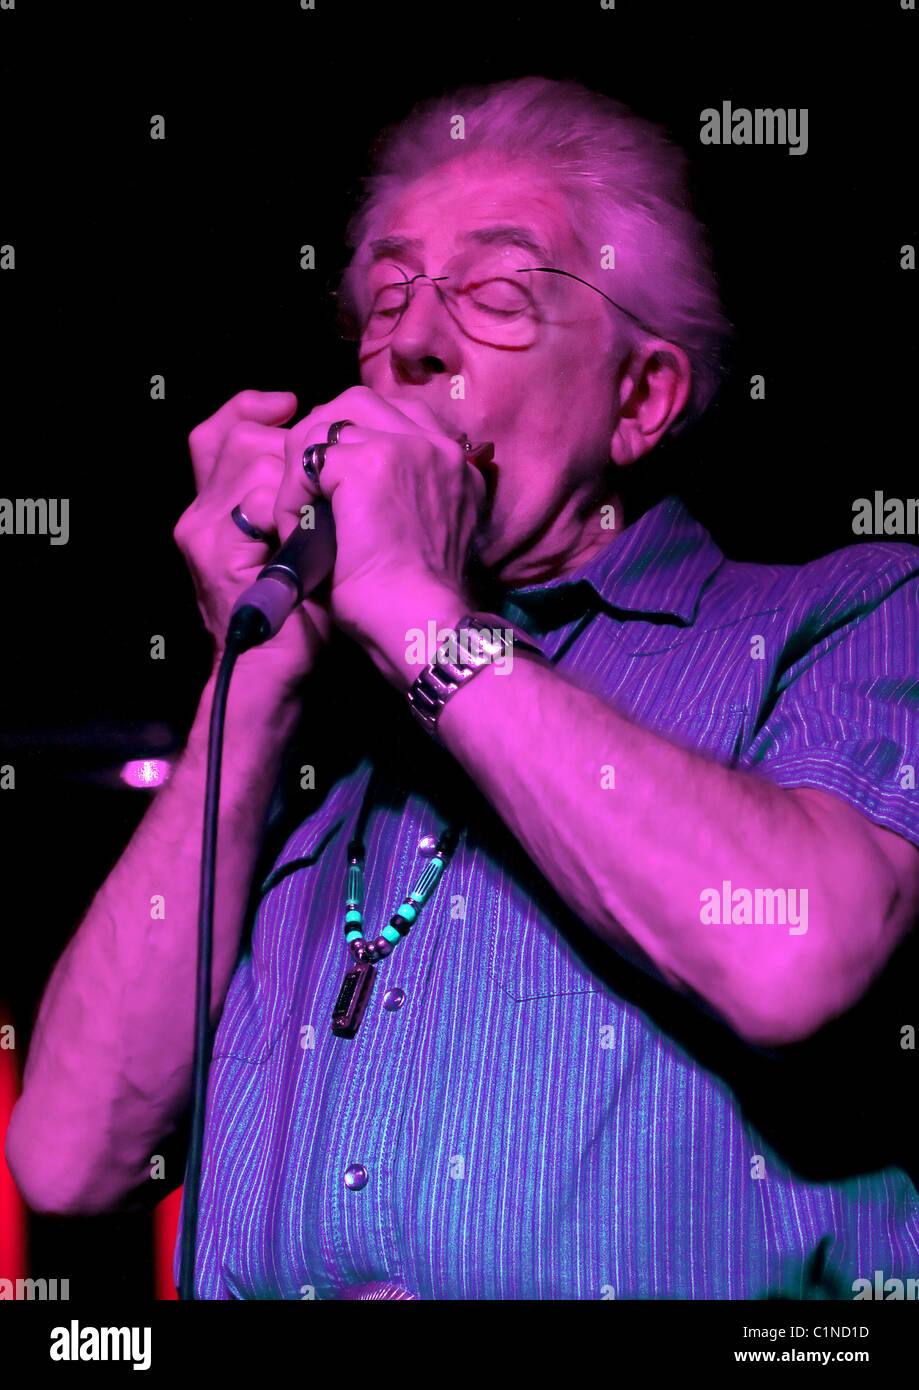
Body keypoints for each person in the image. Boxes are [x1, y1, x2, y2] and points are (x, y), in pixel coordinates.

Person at [6, 76, 919, 1301]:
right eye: (386, 296)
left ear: (639, 400)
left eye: (494, 294)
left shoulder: (847, 611)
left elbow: (792, 956)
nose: (410, 341)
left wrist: (420, 616)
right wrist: (253, 677)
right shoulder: (314, 730)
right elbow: (70, 1160)